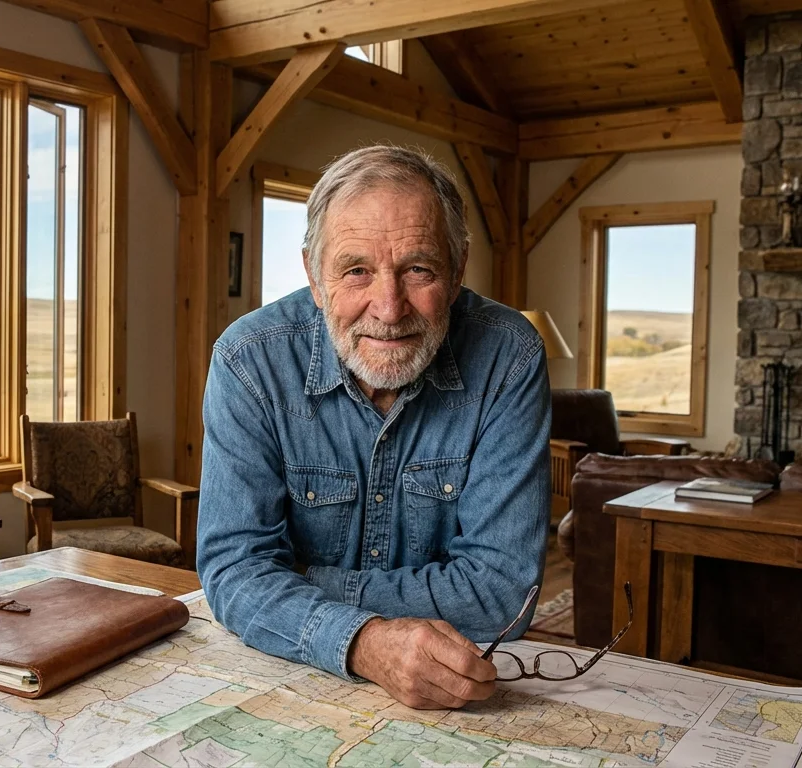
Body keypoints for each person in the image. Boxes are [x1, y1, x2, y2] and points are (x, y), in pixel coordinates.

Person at [196, 145, 549, 710]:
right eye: (356, 270)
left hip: (454, 689)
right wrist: (362, 642)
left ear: (457, 271)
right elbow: (234, 571)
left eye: (418, 269)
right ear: (315, 276)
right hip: (289, 681)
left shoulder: (509, 356)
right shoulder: (249, 361)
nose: (388, 307)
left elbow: (504, 594)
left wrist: (300, 581)